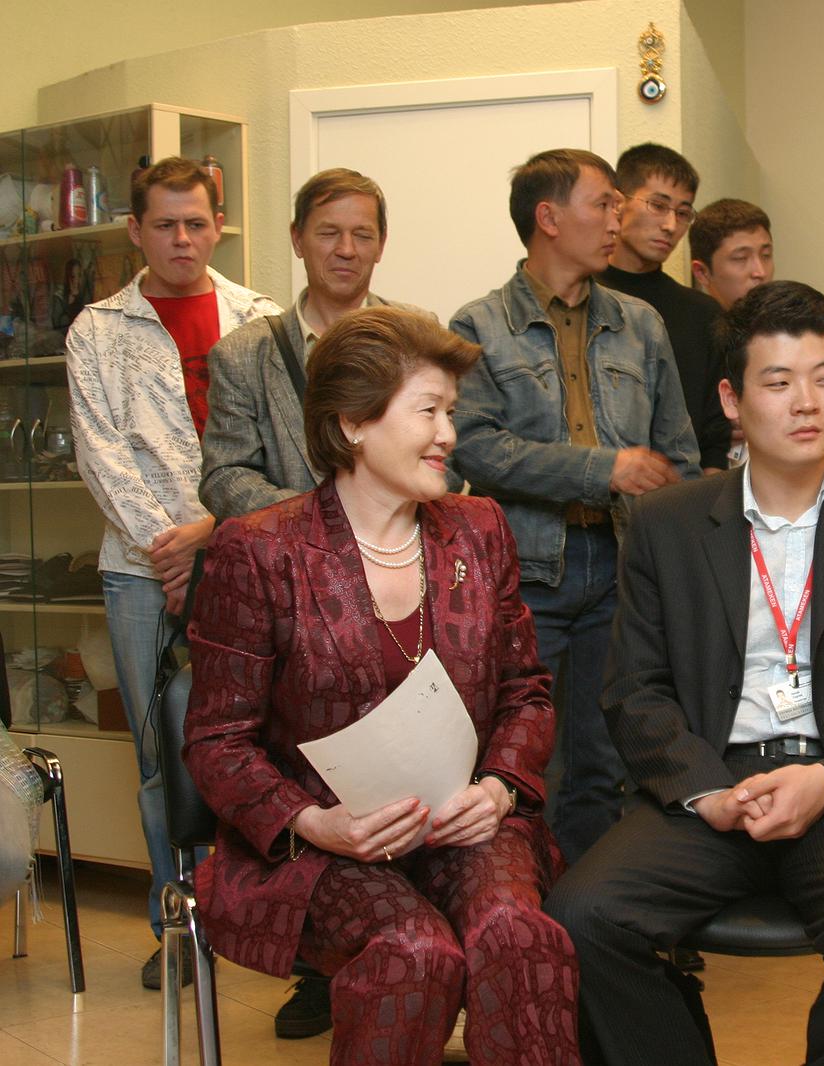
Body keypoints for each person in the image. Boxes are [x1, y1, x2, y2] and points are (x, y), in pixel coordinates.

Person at [546, 281, 824, 1066]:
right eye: (779, 381)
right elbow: (633, 688)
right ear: (732, 400)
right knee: (582, 916)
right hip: (714, 778)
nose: (807, 402)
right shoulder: (668, 523)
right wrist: (707, 791)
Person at [184, 307, 578, 1066]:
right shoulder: (261, 552)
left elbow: (525, 691)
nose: (448, 434)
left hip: (466, 824)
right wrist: (313, 823)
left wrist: (499, 789)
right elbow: (216, 741)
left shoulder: (478, 530)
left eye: (451, 412)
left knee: (517, 935)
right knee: (413, 954)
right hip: (323, 844)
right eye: (428, 411)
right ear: (353, 423)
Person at [64, 156, 279, 990]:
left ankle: (262, 915)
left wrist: (212, 538)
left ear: (219, 224)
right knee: (161, 756)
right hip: (139, 570)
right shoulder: (97, 330)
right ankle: (180, 925)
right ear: (135, 230)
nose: (182, 239)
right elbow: (101, 454)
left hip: (245, 556)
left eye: (196, 222)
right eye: (165, 224)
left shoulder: (261, 320)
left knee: (256, 742)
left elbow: (278, 448)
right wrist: (171, 548)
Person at [451, 148, 700, 863]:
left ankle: (584, 915)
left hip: (622, 569)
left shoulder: (641, 324)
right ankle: (518, 904)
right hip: (523, 573)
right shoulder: (478, 325)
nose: (619, 220)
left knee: (604, 761)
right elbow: (473, 448)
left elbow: (678, 454)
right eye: (604, 204)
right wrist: (603, 470)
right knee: (523, 759)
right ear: (549, 218)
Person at [202, 168, 438, 525]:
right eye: (329, 234)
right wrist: (321, 518)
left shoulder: (420, 335)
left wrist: (381, 509)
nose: (346, 250)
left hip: (399, 547)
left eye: (362, 235)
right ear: (298, 240)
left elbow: (448, 452)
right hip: (288, 554)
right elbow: (224, 476)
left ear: (381, 245)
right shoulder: (242, 354)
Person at [688, 197, 824, 461]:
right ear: (702, 272)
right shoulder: (690, 344)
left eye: (766, 255)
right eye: (740, 258)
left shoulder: (802, 334)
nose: (759, 271)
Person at [598, 143, 732, 471]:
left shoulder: (702, 313)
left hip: (684, 491)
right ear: (618, 203)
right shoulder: (581, 299)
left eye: (683, 213)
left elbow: (715, 437)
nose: (671, 225)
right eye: (658, 205)